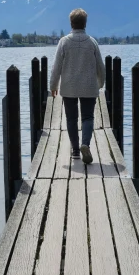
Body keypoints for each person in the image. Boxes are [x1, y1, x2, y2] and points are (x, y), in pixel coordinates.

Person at [49, 8, 105, 164]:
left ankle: (75, 151)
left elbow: (56, 67)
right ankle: (85, 144)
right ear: (85, 23)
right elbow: (101, 66)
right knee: (87, 118)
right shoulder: (92, 42)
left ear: (71, 23)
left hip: (69, 87)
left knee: (71, 119)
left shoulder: (64, 42)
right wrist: (100, 83)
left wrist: (53, 86)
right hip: (89, 86)